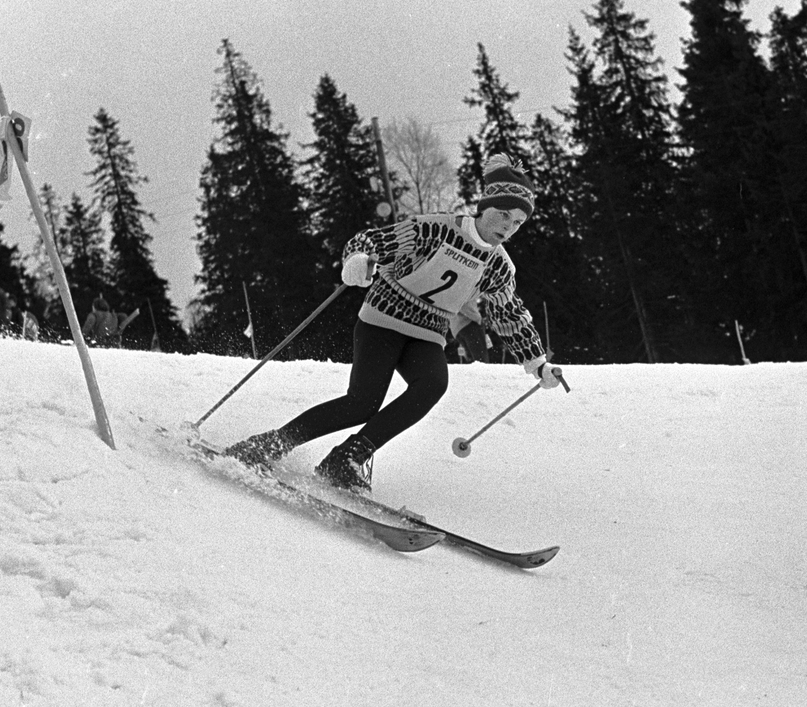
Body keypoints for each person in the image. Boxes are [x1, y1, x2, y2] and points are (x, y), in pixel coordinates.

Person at [224, 153, 563, 491]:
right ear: (485, 206)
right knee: (361, 403)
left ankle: (346, 458)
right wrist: (357, 259)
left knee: (433, 384)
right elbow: (374, 240)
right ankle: (270, 444)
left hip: (427, 335)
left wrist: (537, 363)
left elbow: (510, 313)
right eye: (503, 214)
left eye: (517, 222)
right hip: (382, 321)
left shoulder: (499, 266)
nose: (507, 226)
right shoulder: (436, 228)